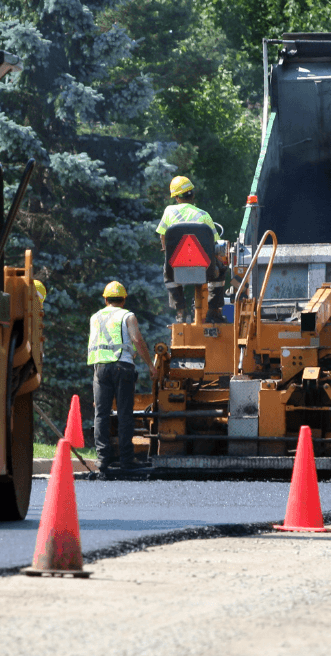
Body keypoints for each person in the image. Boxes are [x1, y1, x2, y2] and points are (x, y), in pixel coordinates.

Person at [88, 281, 158, 474]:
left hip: (100, 368)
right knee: (124, 414)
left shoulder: (95, 317)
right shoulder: (128, 316)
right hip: (122, 367)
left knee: (101, 414)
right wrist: (150, 365)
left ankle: (103, 460)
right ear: (124, 299)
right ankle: (127, 459)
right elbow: (136, 339)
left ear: (105, 299)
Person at [156, 175, 227, 324]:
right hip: (204, 269)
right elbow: (215, 243)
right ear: (193, 195)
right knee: (220, 268)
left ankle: (181, 311)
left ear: (176, 197)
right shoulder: (204, 215)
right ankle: (213, 311)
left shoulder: (169, 212)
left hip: (176, 269)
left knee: (166, 271)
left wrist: (168, 251)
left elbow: (163, 238)